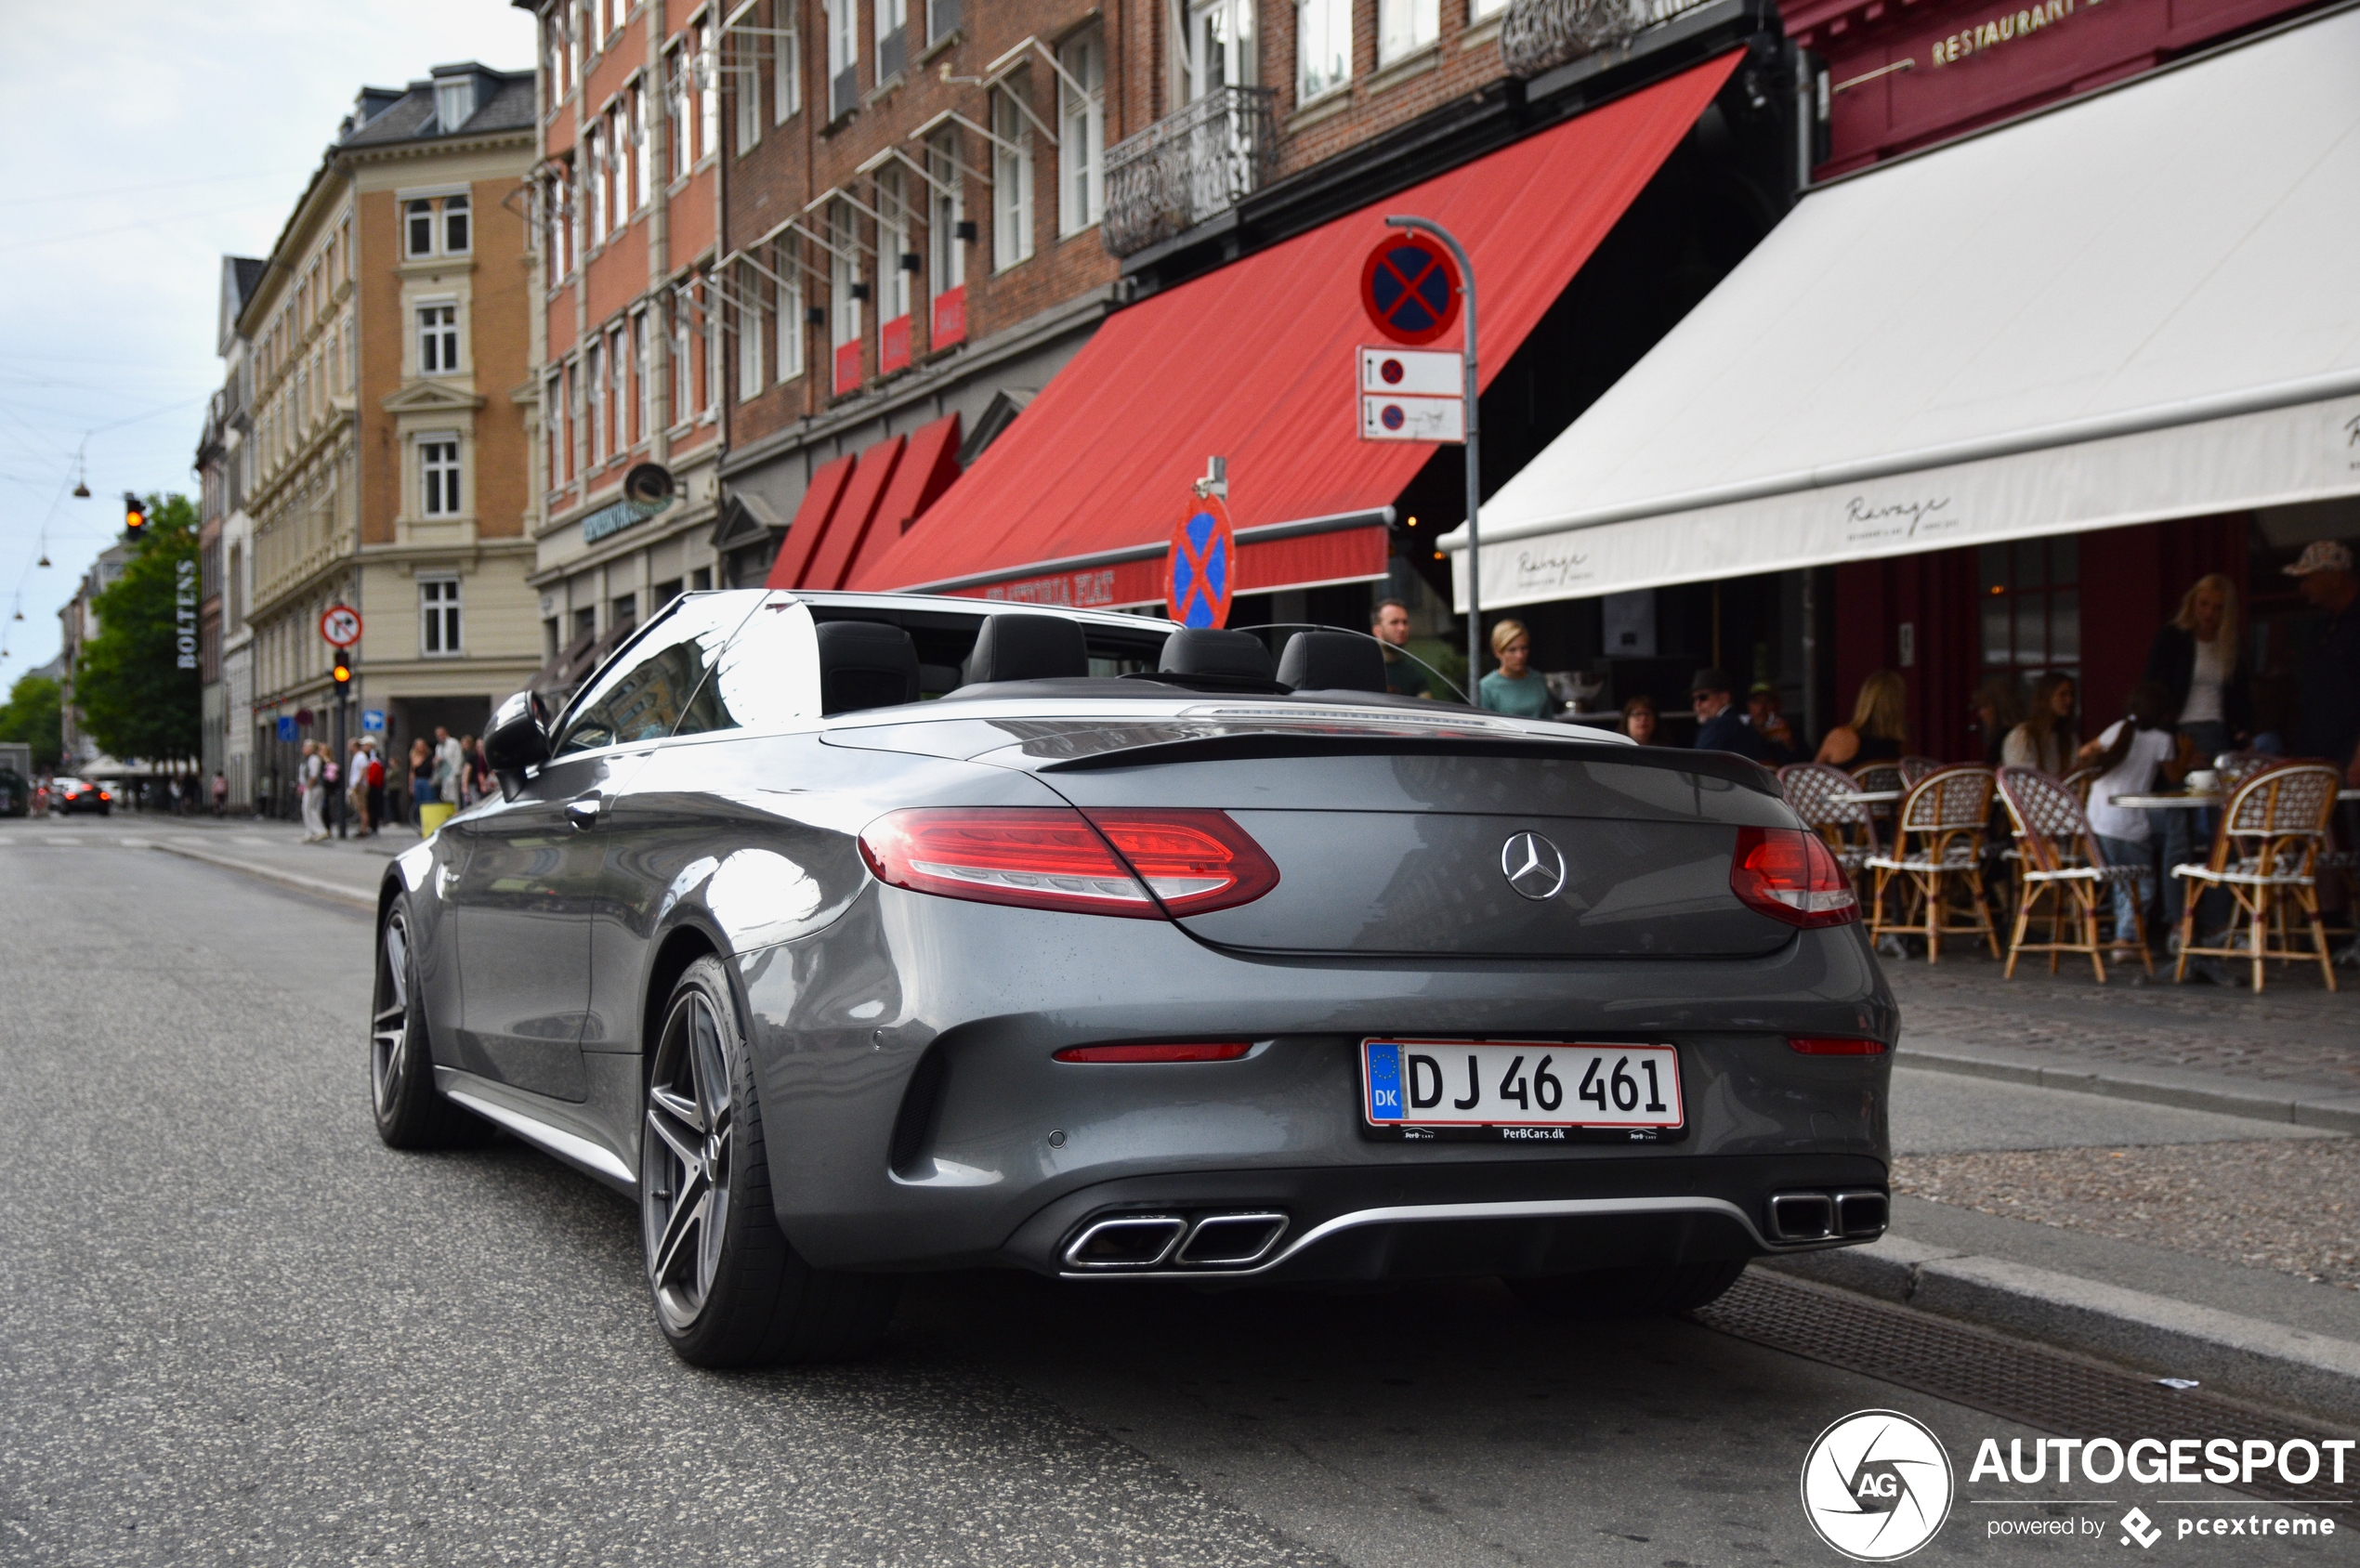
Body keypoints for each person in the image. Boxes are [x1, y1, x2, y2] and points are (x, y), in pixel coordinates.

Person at [2078, 682, 2187, 960]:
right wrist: (2186, 752)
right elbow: (2174, 777)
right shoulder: (2161, 740)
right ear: (2165, 714)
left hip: (2097, 818)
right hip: (2127, 822)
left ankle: (2124, 935)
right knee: (2140, 881)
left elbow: (2084, 753)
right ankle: (2126, 939)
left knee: (2122, 880)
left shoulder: (2118, 729)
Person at [2283, 541, 2360, 776]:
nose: (2303, 587)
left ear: (2335, 577)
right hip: (2318, 757)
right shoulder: (2323, 628)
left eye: (2309, 578)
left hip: (2350, 757)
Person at [1815, 671, 1907, 768]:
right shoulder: (1903, 748)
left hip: (1847, 783)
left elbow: (1811, 776)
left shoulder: (1841, 737)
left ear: (1864, 700)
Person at [2002, 673, 2078, 775]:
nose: (2069, 700)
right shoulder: (2022, 735)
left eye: (2071, 695)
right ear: (2046, 697)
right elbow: (2022, 778)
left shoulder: (2069, 737)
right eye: (2062, 694)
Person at [1478, 620, 1554, 719]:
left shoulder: (1538, 680)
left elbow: (1549, 718)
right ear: (1498, 652)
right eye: (1512, 650)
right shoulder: (1487, 686)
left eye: (1524, 648)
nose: (1520, 655)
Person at [1690, 668, 1768, 761]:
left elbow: (1700, 763)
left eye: (1703, 697)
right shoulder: (1738, 723)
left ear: (1724, 697)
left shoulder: (1720, 725)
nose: (1697, 704)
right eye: (1693, 699)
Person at [1370, 599, 1433, 699]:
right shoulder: (1363, 670)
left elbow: (1427, 709)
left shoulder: (1414, 675)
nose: (1402, 628)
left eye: (1405, 622)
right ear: (1377, 631)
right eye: (1394, 622)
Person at [1970, 676, 2025, 767]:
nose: (1980, 714)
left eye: (1984, 706)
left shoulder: (2005, 737)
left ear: (1998, 707)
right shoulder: (2008, 734)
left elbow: (1989, 768)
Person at [1745, 682, 1800, 765]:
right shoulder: (1740, 731)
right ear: (1749, 705)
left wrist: (1790, 744)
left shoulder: (1788, 731)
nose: (1761, 708)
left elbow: (1806, 764)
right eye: (1757, 702)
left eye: (1767, 702)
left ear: (1778, 706)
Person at [298, 740, 328, 843]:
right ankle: (310, 832)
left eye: (306, 747)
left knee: (311, 808)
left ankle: (320, 830)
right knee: (308, 809)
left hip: (314, 788)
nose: (303, 749)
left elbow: (313, 775)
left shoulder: (314, 759)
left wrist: (308, 787)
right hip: (310, 787)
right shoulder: (307, 759)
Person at [433, 725, 465, 810]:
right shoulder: (438, 747)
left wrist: (456, 773)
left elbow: (459, 759)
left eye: (441, 734)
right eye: (438, 735)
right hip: (443, 776)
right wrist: (436, 761)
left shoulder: (453, 743)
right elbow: (436, 761)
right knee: (445, 797)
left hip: (453, 774)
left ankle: (456, 814)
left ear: (446, 733)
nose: (440, 737)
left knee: (454, 797)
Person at [409, 738, 437, 830]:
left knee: (428, 801)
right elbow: (413, 771)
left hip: (427, 780)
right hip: (418, 780)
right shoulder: (414, 756)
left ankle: (430, 822)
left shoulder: (430, 756)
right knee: (419, 803)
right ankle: (421, 822)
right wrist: (411, 785)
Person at [365, 741, 387, 833]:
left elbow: (372, 778)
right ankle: (373, 825)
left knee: (373, 807)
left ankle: (373, 826)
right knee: (373, 808)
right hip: (376, 787)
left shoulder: (375, 764)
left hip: (374, 787)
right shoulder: (377, 763)